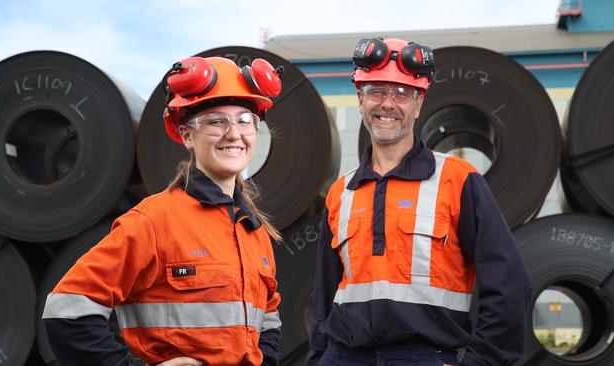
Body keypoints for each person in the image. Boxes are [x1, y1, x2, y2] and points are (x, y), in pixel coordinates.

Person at [42, 56, 285, 366]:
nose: (234, 133)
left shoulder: (253, 231)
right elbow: (67, 310)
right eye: (215, 121)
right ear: (186, 135)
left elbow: (269, 318)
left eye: (244, 119)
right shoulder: (153, 222)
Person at [307, 38, 532, 366]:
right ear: (360, 100)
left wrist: (482, 362)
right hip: (343, 356)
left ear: (418, 104)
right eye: (376, 92)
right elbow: (323, 298)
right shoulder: (341, 192)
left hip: (423, 355)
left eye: (401, 93)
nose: (388, 104)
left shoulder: (458, 180)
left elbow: (510, 283)